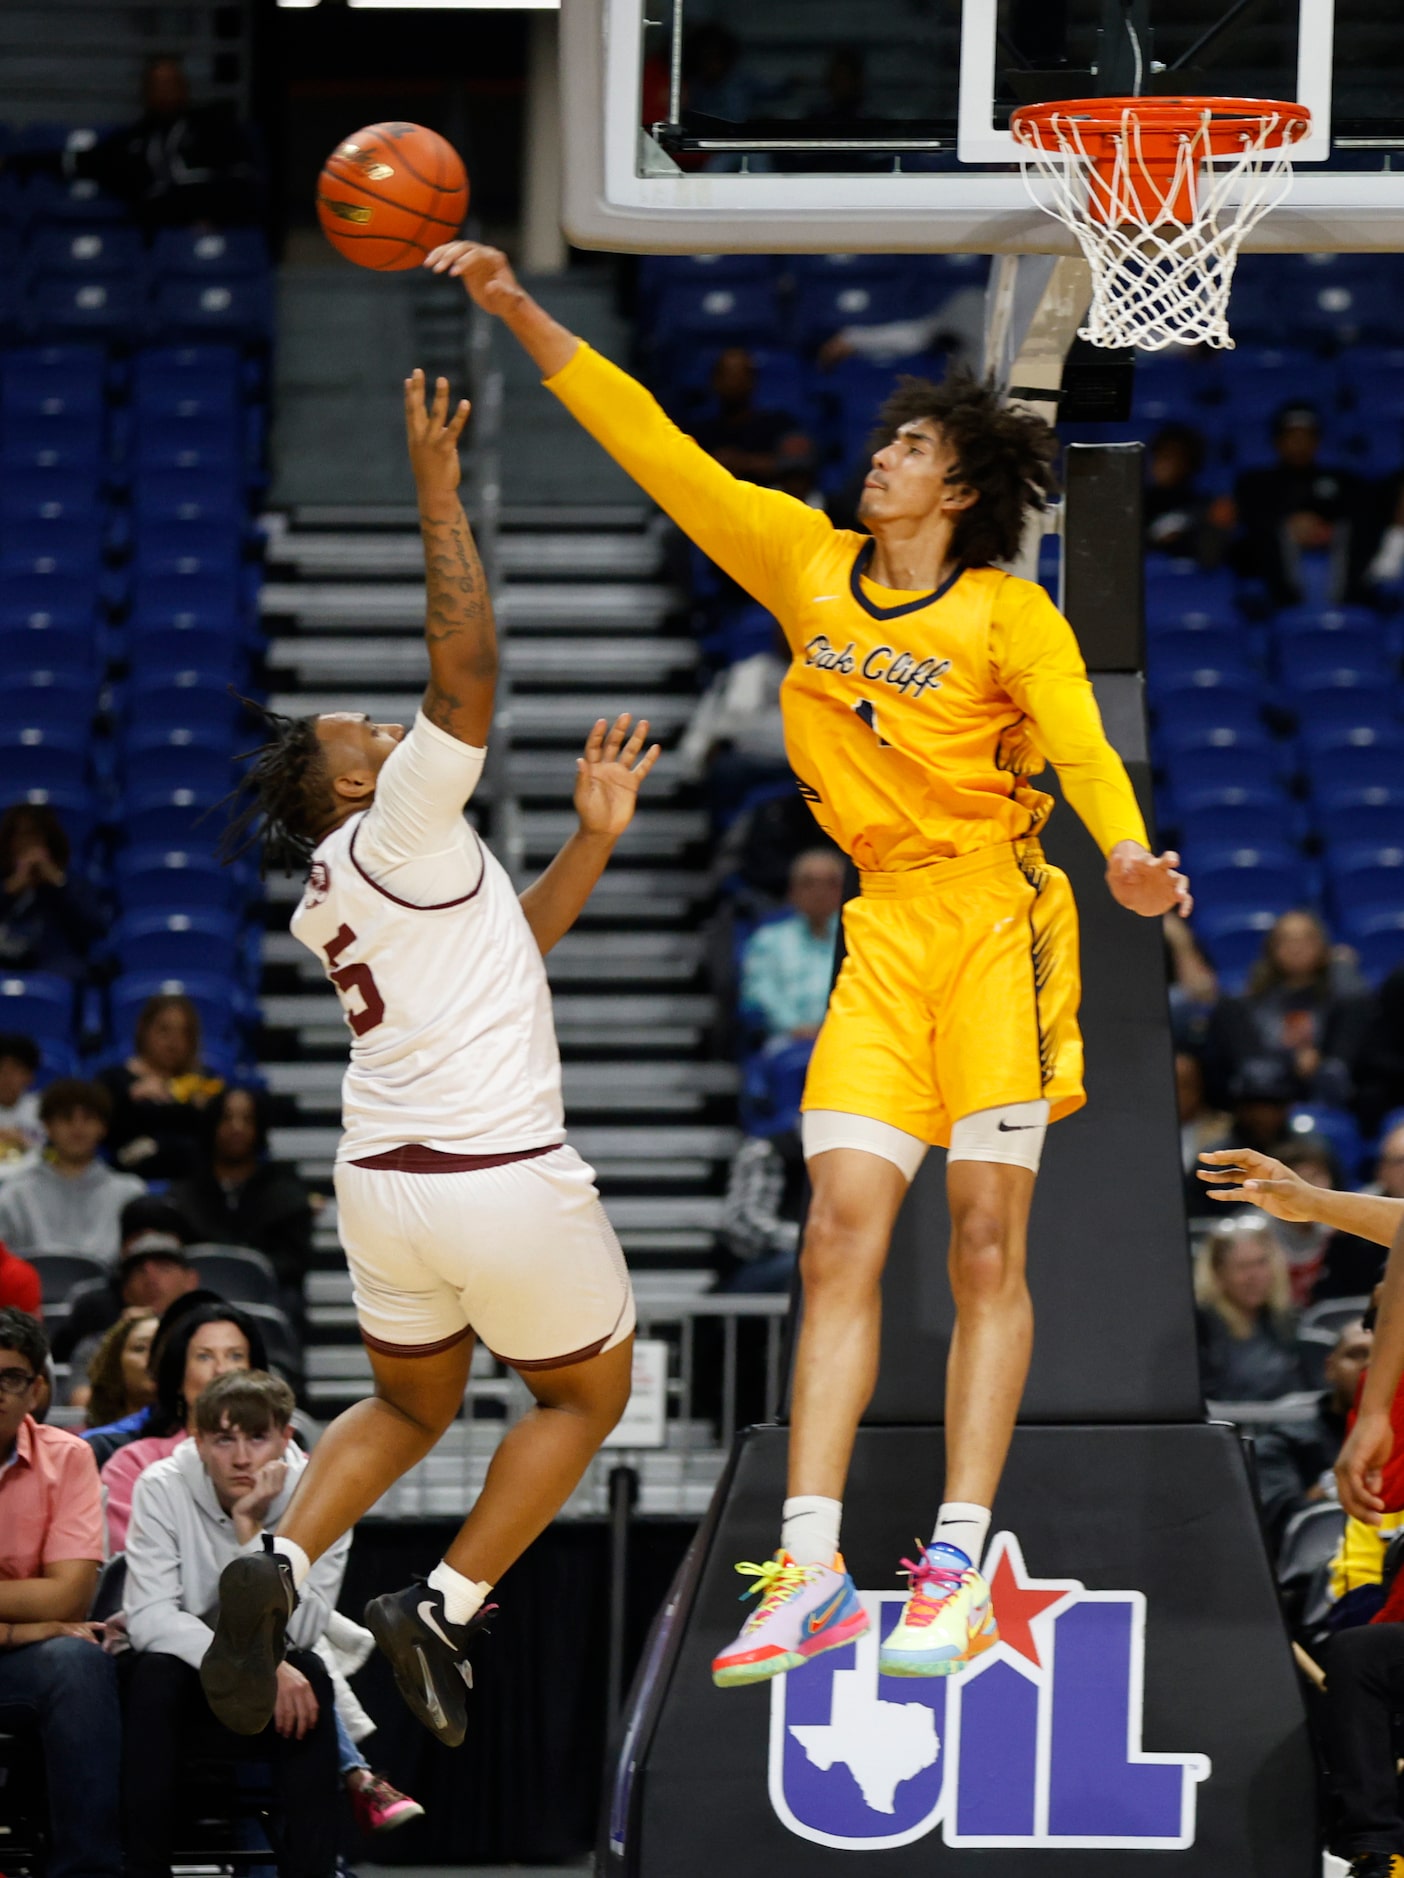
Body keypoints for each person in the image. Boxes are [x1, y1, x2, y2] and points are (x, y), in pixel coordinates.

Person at [429, 240, 1192, 1685]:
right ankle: (814, 1562)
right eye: (888, 440)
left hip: (995, 925)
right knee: (837, 1231)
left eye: (909, 446)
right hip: (883, 927)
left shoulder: (1002, 614)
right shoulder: (806, 565)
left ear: (958, 488)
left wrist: (1126, 854)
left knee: (982, 1243)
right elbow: (661, 449)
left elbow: (1083, 744)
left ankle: (957, 1562)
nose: (881, 459)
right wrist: (520, 309)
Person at [196, 367, 654, 1751]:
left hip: (385, 1183)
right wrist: (439, 487)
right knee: (586, 1393)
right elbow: (467, 670)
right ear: (350, 784)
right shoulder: (396, 819)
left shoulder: (338, 878)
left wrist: (593, 839)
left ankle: (279, 1564)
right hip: (493, 1173)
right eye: (369, 738)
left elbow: (507, 950)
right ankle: (440, 1606)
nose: (394, 734)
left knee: (410, 1397)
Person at [122, 1370, 346, 1878]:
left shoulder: (327, 1495)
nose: (243, 1458)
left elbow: (306, 1626)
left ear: (286, 1437)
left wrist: (252, 1532)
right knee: (155, 1672)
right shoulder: (161, 1486)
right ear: (197, 1442)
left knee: (309, 1672)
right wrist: (256, 1667)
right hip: (187, 1673)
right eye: (224, 1439)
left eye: (257, 1437)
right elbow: (151, 1618)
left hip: (275, 1677)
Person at [0, 1306, 120, 1878]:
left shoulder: (69, 1457)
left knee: (78, 1663)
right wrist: (24, 1624)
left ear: (36, 1390)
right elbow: (47, 1602)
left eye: (11, 1378)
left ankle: (85, 1872)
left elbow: (69, 1600)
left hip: (21, 1665)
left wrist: (35, 1627)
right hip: (23, 1643)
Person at [100, 1296, 266, 1550]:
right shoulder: (133, 1466)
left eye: (235, 1356)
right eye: (204, 1357)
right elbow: (133, 1565)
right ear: (178, 1376)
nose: (221, 1370)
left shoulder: (295, 1466)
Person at [1201, 909, 1371, 1112]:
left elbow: (1359, 1000)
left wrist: (1342, 966)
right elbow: (1253, 1069)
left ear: (1324, 947)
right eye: (1287, 940)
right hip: (1265, 1096)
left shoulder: (1341, 996)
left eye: (1306, 940)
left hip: (1324, 1092)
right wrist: (1292, 1062)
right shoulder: (1245, 1001)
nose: (1296, 948)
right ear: (1272, 948)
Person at [71, 53, 260, 230]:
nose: (166, 92)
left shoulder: (215, 127)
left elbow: (243, 179)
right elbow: (90, 162)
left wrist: (216, 217)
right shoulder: (133, 140)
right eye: (158, 85)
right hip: (161, 230)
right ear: (146, 92)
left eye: (172, 84)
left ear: (184, 87)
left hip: (217, 226)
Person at [167, 1086, 314, 1307]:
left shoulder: (285, 1192)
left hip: (266, 1296)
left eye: (247, 1119)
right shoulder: (184, 1194)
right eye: (227, 1118)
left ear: (259, 1128)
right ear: (212, 1125)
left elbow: (293, 1263)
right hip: (198, 1293)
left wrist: (246, 1271)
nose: (237, 1128)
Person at [1226, 400, 1373, 607]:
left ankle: (1342, 603)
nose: (1299, 443)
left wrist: (1323, 528)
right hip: (1271, 572)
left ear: (1317, 441)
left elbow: (1358, 511)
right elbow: (1249, 519)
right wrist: (1290, 523)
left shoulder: (1343, 480)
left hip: (1333, 557)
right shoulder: (1255, 482)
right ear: (1278, 441)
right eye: (1292, 436)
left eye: (1306, 436)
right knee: (1270, 530)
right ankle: (1289, 604)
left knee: (1354, 527)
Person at [1253, 1315, 1371, 1552]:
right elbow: (1274, 1524)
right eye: (1357, 1354)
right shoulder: (1283, 1444)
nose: (1371, 1367)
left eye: (1387, 1360)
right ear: (1330, 1367)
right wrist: (1335, 1488)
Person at [0, 1078, 146, 1259]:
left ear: (103, 1127)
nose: (77, 1127)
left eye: (88, 1118)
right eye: (66, 1117)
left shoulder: (130, 1193)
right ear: (47, 1126)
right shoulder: (15, 1194)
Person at [50, 1195, 198, 1365]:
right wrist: (120, 1336)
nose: (151, 1278)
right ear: (125, 1289)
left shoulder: (209, 1327)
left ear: (191, 1280)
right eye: (139, 1270)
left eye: (164, 1267)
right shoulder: (94, 1329)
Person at [97, 993, 224, 1180]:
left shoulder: (205, 1082)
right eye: (164, 1030)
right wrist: (129, 1098)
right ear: (143, 1029)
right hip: (128, 1181)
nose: (174, 1041)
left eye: (184, 1032)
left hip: (195, 1182)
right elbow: (101, 1131)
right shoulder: (114, 1080)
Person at [739, 848, 845, 1043]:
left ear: (845, 891)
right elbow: (759, 992)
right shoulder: (768, 940)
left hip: (844, 1040)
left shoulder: (858, 941)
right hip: (787, 1039)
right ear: (792, 891)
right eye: (809, 883)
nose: (819, 893)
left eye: (831, 883)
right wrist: (795, 1026)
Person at [1195, 1214, 1303, 1403]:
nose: (1254, 1276)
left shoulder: (1287, 1321)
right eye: (1242, 1267)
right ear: (1218, 1272)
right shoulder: (1199, 1329)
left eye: (1261, 1263)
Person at [0, 803, 104, 983]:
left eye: (36, 838)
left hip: (56, 970)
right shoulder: (4, 884)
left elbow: (94, 929)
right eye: (23, 837)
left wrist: (59, 884)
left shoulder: (72, 883)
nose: (29, 846)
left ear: (49, 843)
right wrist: (11, 889)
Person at [691, 348, 817, 493]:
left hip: (767, 502)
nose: (733, 383)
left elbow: (793, 467)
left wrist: (742, 462)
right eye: (727, 376)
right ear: (714, 381)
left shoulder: (777, 424)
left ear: (752, 380)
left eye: (740, 376)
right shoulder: (699, 430)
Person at [1144, 423, 1223, 565]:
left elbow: (1208, 558)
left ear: (1190, 463)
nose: (1167, 465)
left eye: (1176, 457)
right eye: (1163, 456)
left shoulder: (1202, 506)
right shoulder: (1135, 503)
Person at [78, 1307, 159, 1424]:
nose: (155, 1357)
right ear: (114, 1362)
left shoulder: (191, 1438)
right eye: (140, 1348)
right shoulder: (87, 1440)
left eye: (163, 1348)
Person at [0, 1031, 43, 1166]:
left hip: (35, 1180)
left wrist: (25, 1142)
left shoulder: (45, 1110)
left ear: (30, 1076)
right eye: (1, 1070)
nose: (6, 1078)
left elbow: (56, 1157)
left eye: (15, 1070)